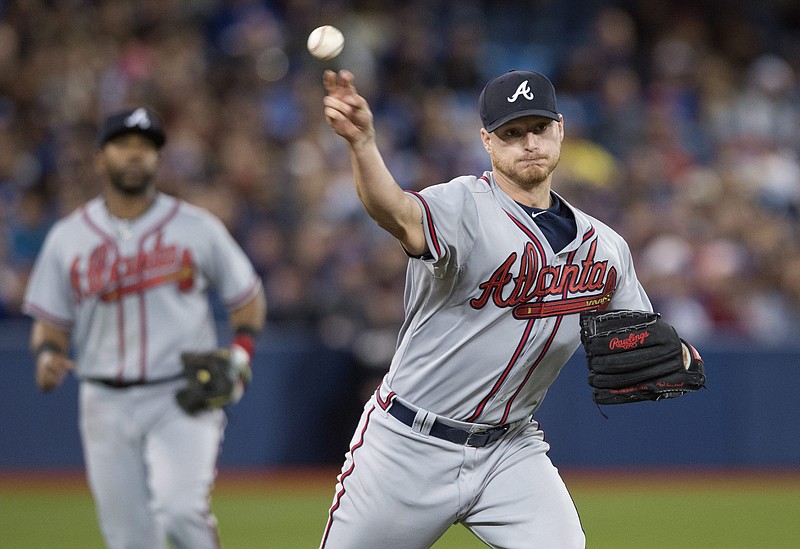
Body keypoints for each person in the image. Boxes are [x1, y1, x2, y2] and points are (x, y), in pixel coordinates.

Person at [318, 69, 702, 548]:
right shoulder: (461, 206)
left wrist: (677, 354)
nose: (529, 143)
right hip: (407, 447)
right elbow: (393, 210)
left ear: (560, 129)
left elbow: (639, 335)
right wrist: (362, 144)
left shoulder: (604, 247)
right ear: (487, 142)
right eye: (512, 133)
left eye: (539, 128)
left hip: (510, 449)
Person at [23, 106, 266, 549]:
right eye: (123, 145)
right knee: (130, 540)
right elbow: (49, 325)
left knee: (181, 510)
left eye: (146, 147)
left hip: (181, 395)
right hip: (103, 402)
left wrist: (241, 353)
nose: (135, 155)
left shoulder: (196, 227)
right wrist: (44, 356)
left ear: (158, 159)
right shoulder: (68, 237)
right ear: (100, 157)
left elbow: (247, 299)